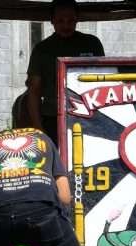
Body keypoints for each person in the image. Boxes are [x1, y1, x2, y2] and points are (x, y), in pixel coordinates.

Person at [26, 0, 104, 142]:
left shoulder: (92, 43)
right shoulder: (42, 49)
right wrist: (39, 128)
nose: (66, 25)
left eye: (70, 21)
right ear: (52, 21)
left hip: (88, 114)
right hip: (52, 117)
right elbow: (34, 90)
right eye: (60, 21)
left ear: (77, 20)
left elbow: (104, 79)